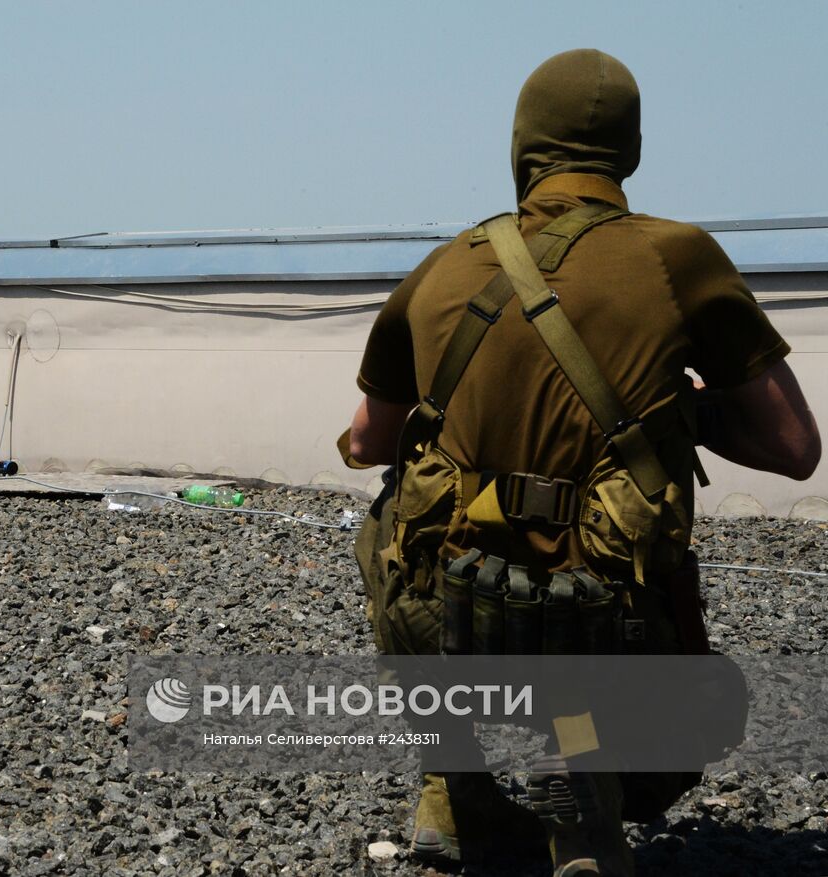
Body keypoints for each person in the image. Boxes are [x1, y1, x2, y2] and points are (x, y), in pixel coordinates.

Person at [343, 49, 820, 875]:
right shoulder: (681, 258)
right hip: (612, 629)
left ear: (523, 148)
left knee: (388, 518)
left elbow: (361, 443)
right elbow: (795, 448)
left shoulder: (444, 265)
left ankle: (454, 789)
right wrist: (680, 414)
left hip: (455, 618)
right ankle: (588, 800)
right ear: (628, 154)